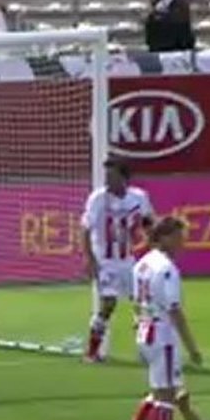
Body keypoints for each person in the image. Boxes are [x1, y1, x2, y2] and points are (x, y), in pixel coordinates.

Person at [120, 216, 201, 420]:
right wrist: (192, 346)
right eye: (178, 236)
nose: (182, 242)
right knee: (166, 396)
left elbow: (135, 300)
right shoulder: (166, 269)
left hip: (145, 329)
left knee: (157, 392)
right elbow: (174, 309)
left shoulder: (141, 264)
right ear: (164, 237)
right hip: (162, 333)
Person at [80, 156, 155, 364]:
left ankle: (145, 350)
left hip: (128, 261)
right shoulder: (98, 198)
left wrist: (151, 242)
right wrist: (89, 258)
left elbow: (148, 222)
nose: (107, 180)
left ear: (123, 177)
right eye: (106, 175)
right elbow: (85, 229)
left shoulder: (138, 197)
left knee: (142, 305)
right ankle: (92, 352)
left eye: (111, 175)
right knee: (108, 304)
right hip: (105, 261)